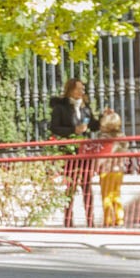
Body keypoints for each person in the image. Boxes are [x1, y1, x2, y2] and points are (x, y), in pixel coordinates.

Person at [48, 77, 100, 227]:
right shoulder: (60, 108)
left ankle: (90, 220)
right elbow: (54, 127)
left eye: (83, 89)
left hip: (84, 152)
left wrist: (104, 117)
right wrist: (73, 130)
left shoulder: (85, 107)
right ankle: (68, 220)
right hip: (69, 151)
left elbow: (94, 125)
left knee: (86, 185)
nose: (81, 91)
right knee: (70, 186)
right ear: (70, 90)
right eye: (78, 88)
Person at [85, 110, 127, 227]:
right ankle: (119, 218)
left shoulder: (103, 138)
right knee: (116, 194)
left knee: (106, 195)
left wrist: (95, 166)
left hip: (106, 170)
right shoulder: (122, 137)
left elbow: (101, 155)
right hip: (119, 170)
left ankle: (108, 219)